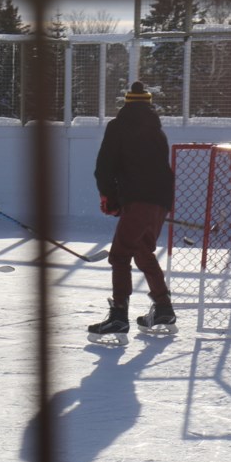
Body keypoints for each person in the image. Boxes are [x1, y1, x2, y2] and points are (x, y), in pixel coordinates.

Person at [90, 81, 176, 336]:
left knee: (119, 256)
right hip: (160, 200)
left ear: (126, 104)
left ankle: (118, 314)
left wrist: (110, 197)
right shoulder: (158, 132)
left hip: (137, 199)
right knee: (142, 251)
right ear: (149, 105)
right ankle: (163, 306)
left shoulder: (118, 127)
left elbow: (105, 167)